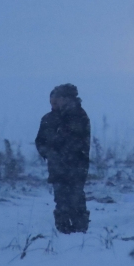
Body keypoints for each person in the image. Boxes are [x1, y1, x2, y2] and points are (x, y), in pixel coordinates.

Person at [35, 83, 91, 234]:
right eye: (52, 100)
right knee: (61, 201)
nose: (54, 103)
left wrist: (57, 149)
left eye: (57, 99)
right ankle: (64, 231)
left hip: (76, 167)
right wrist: (49, 153)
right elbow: (40, 142)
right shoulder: (48, 119)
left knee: (76, 199)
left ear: (66, 99)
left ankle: (80, 231)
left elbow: (74, 142)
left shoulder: (78, 116)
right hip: (57, 169)